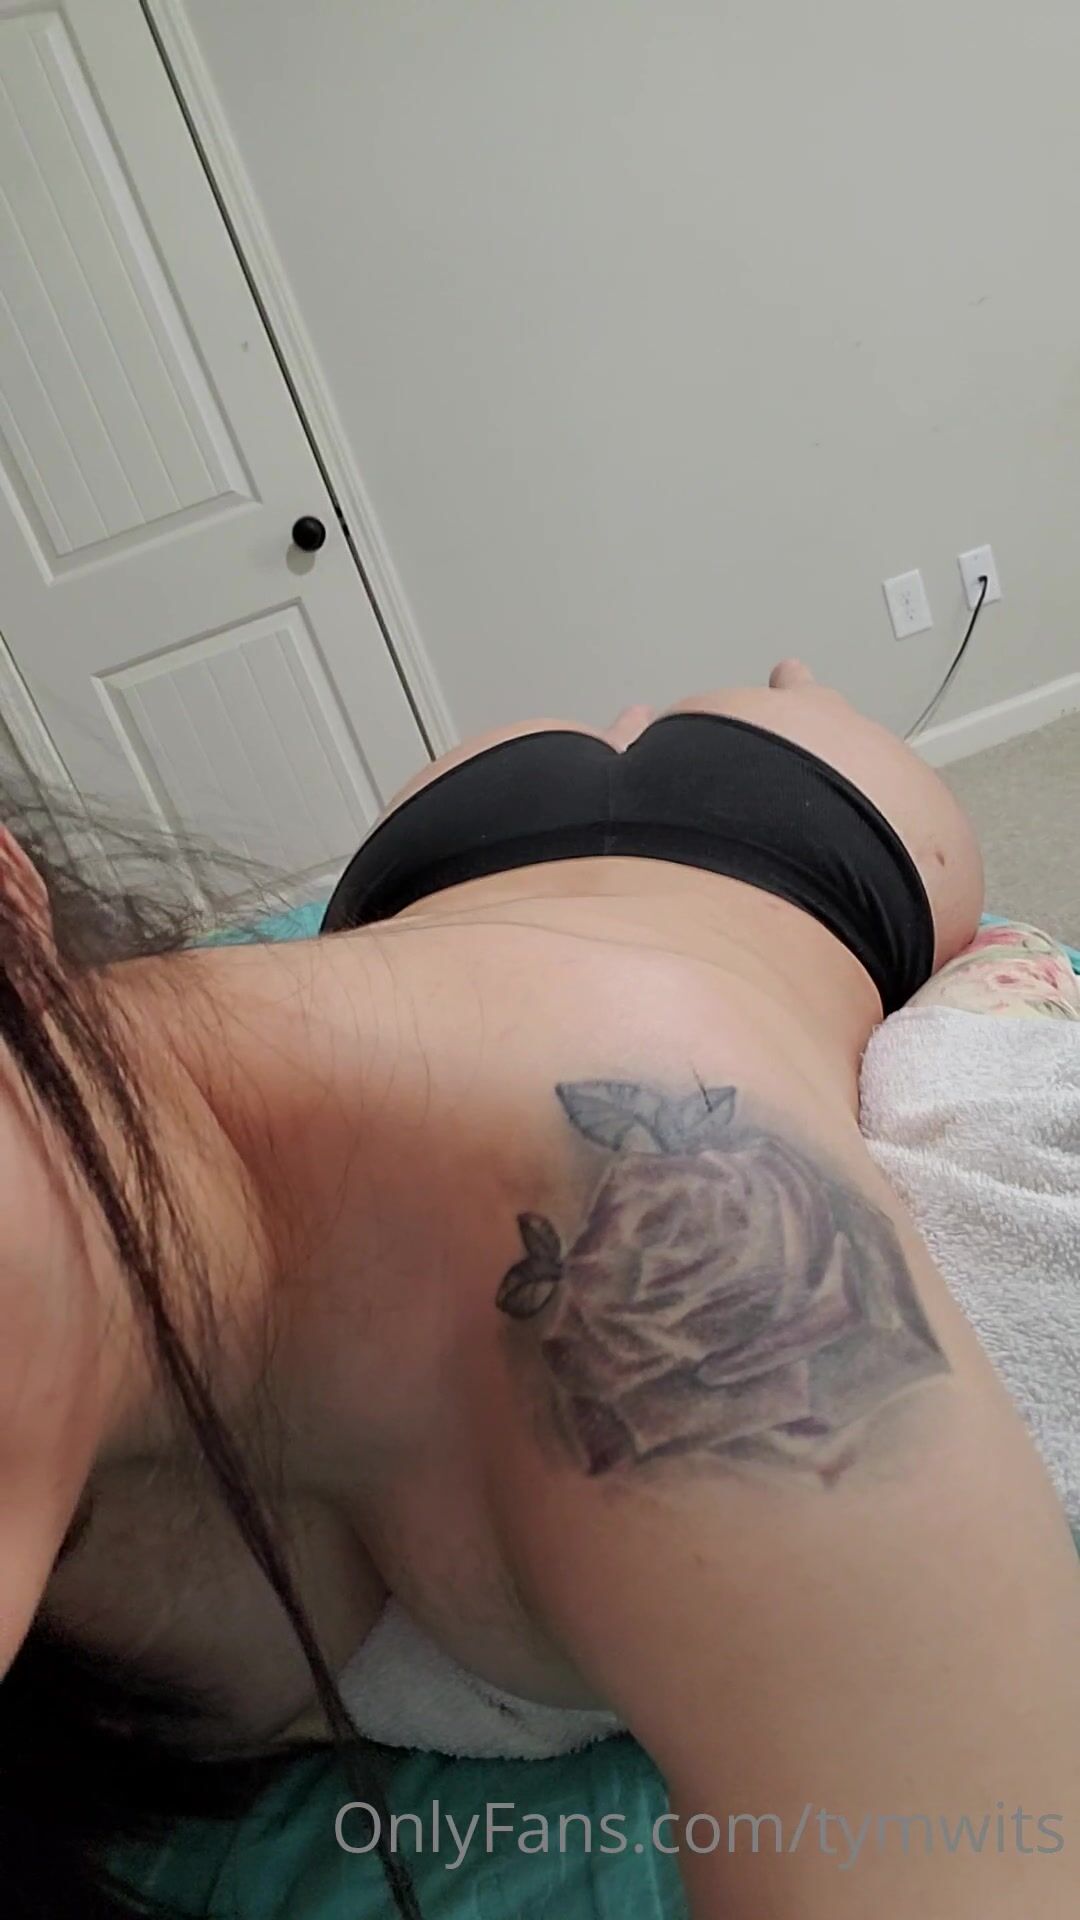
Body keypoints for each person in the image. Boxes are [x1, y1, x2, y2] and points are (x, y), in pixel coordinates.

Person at [1, 663, 1077, 1920]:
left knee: (802, 713)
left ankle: (794, 694)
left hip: (790, 826)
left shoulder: (727, 1305)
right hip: (431, 862)